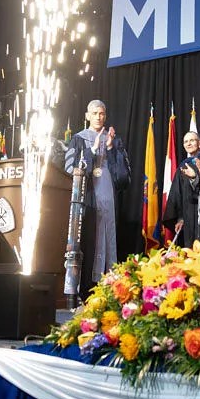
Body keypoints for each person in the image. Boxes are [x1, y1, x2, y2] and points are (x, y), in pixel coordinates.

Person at [64, 99, 131, 293]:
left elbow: (124, 178)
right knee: (89, 239)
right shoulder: (79, 139)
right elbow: (70, 168)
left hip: (109, 199)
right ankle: (86, 290)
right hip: (88, 199)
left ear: (105, 116)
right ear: (87, 116)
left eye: (101, 113)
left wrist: (110, 149)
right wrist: (91, 150)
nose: (98, 117)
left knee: (109, 238)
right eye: (94, 113)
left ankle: (109, 288)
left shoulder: (114, 140)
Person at [161, 131, 200, 244]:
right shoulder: (183, 166)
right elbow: (177, 195)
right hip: (188, 215)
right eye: (186, 142)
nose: (188, 144)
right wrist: (180, 218)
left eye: (192, 140)